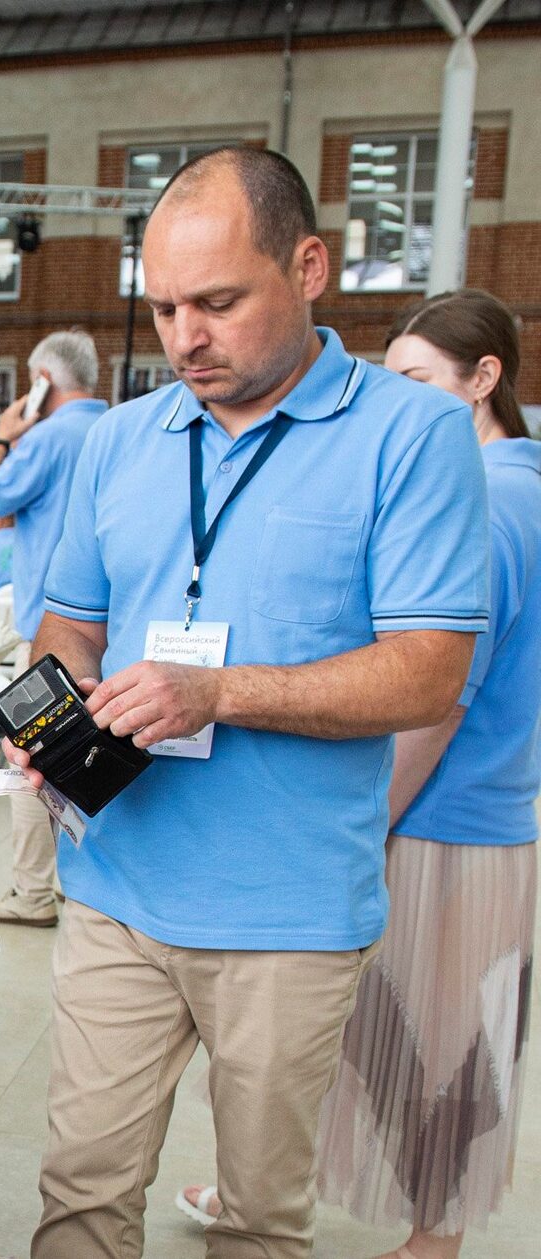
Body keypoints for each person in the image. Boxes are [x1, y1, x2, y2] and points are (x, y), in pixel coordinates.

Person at [9, 146, 489, 1259]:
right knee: (79, 1194)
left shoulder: (412, 436)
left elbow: (429, 670)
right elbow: (69, 621)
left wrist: (217, 690)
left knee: (260, 1220)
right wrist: (59, 712)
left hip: (289, 915)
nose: (186, 337)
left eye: (218, 303)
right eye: (165, 308)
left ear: (309, 266)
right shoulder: (121, 439)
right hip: (118, 888)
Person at [180, 291, 540, 1259]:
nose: (400, 405)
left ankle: (429, 1238)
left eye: (419, 381)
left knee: (421, 1041)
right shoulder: (524, 485)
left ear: (485, 379)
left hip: (435, 814)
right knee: (422, 1035)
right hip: (488, 813)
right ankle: (305, 1198)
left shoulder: (488, 498)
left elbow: (439, 694)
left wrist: (367, 818)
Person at [0, 330, 107, 928]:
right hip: (112, 632)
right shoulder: (117, 429)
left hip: (52, 629)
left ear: (43, 381)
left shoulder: (47, 438)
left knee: (33, 759)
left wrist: (3, 437)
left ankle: (31, 891)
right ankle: (83, 883)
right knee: (95, 758)